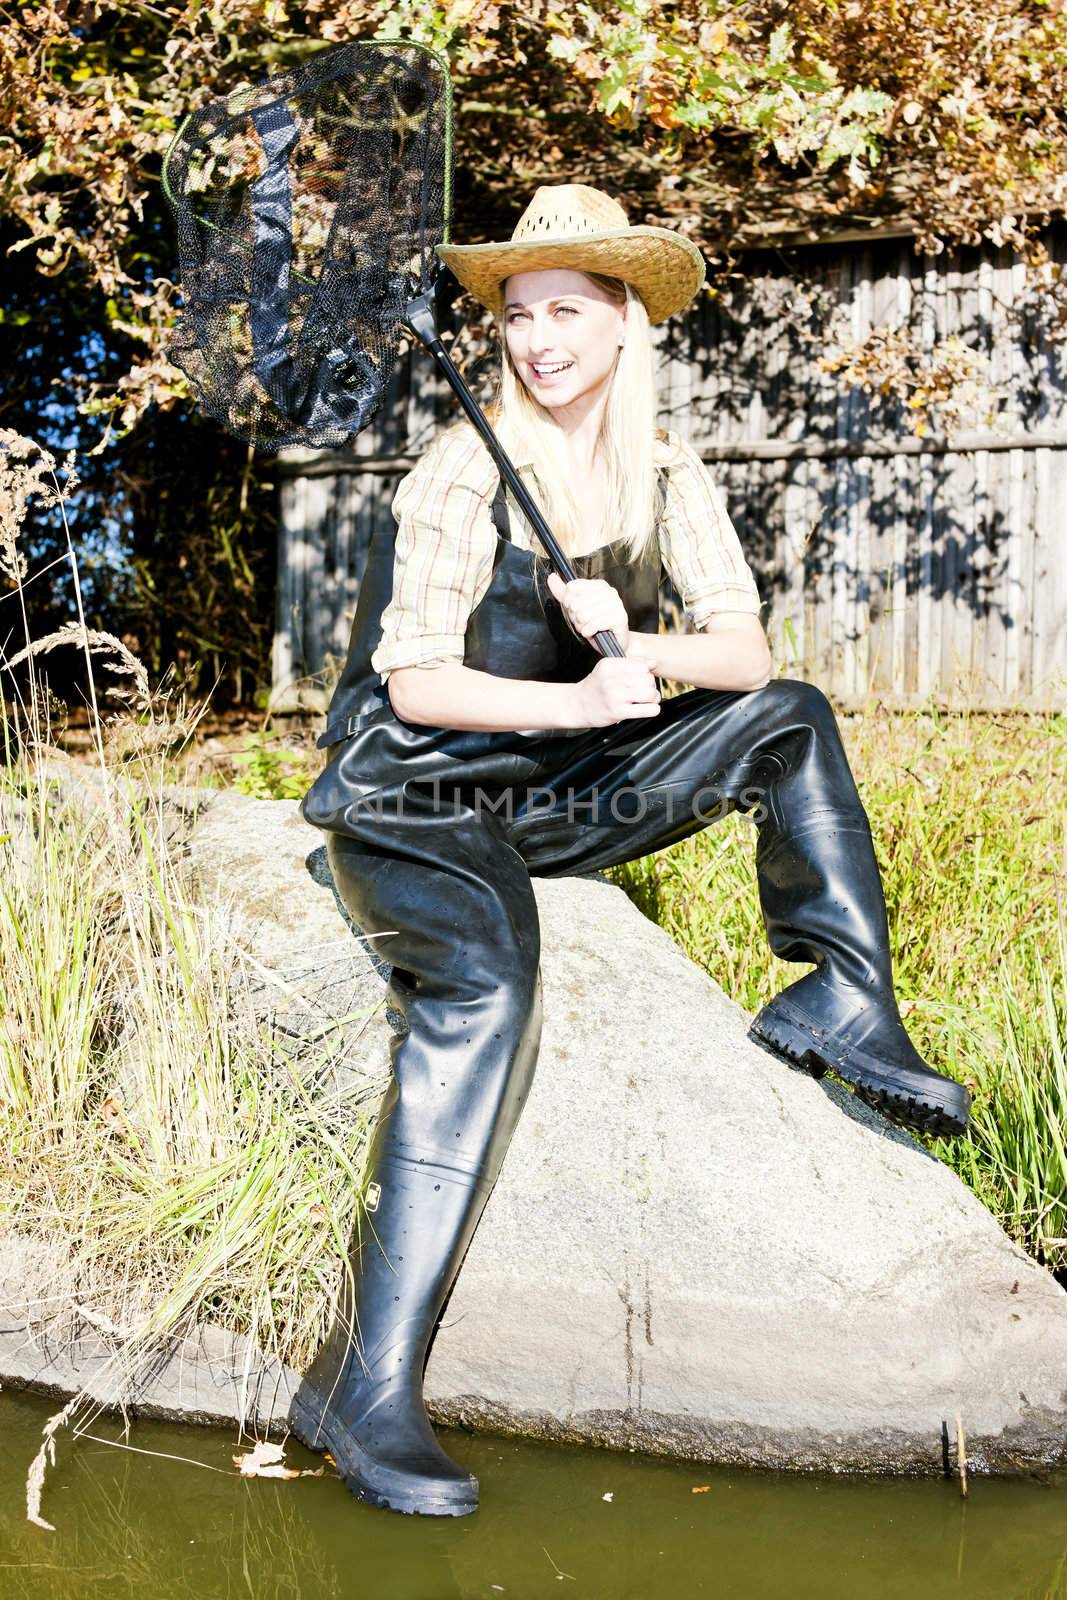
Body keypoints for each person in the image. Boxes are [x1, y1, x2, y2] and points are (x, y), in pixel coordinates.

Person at [289, 183, 972, 1518]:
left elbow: (746, 658)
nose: (536, 341)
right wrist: (576, 700)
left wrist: (633, 644)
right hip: (415, 795)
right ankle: (362, 1388)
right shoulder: (460, 466)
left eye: (565, 312)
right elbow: (417, 683)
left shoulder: (665, 472)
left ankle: (840, 996)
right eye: (517, 315)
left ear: (624, 322)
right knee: (490, 977)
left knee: (788, 722)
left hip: (551, 792)